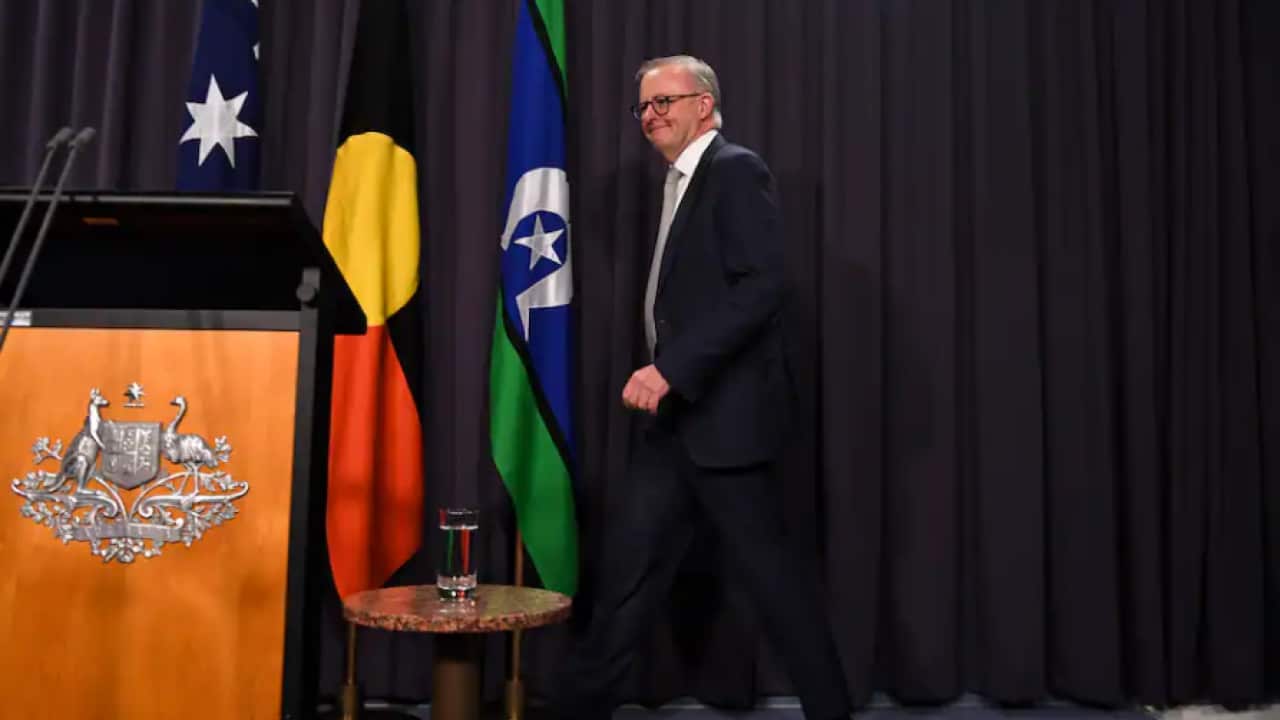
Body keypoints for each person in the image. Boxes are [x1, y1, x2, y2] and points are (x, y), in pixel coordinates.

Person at [553, 55, 851, 720]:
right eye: (644, 107)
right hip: (675, 429)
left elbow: (763, 286)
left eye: (665, 101)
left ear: (705, 106)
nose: (651, 115)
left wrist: (671, 368)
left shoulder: (735, 170)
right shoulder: (680, 180)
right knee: (628, 578)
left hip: (729, 424)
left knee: (778, 589)